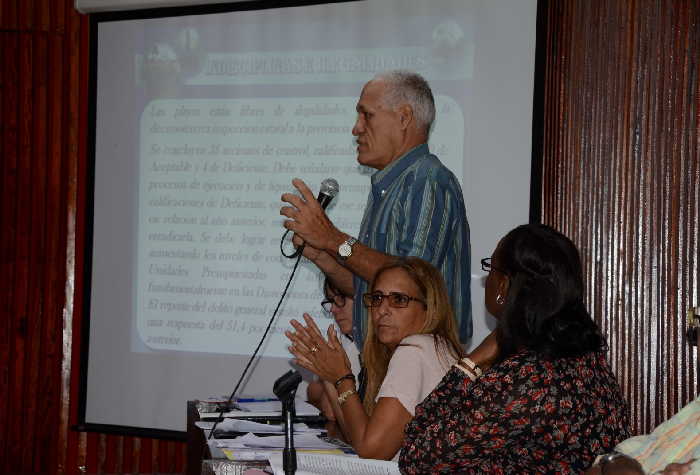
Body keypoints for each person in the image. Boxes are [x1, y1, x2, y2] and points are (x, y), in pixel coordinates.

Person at [399, 224, 631, 473]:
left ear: (504, 287)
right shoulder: (591, 363)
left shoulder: (522, 381)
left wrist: (471, 362)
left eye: (491, 268)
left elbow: (417, 459)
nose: (488, 279)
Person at [279, 70, 471, 348]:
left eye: (366, 115)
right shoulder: (386, 189)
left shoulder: (427, 179)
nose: (356, 128)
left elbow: (410, 283)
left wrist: (333, 238)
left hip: (420, 370)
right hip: (385, 366)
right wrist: (321, 254)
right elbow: (370, 286)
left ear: (404, 117)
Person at [285, 257, 463, 460]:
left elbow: (371, 452)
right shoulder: (437, 347)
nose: (382, 310)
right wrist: (330, 374)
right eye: (377, 298)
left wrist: (343, 378)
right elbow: (357, 437)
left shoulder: (413, 350)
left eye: (398, 300)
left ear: (429, 306)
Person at [305, 278, 362, 438]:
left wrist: (330, 382)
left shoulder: (371, 347)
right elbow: (313, 391)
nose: (333, 310)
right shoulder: (342, 339)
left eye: (341, 299)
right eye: (331, 302)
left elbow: (331, 412)